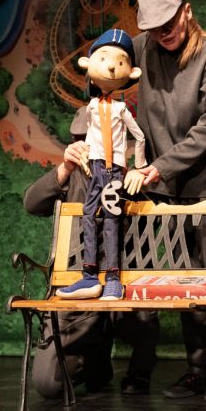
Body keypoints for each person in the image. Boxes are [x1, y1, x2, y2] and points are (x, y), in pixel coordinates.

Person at [127, 0, 206, 402]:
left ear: (187, 11)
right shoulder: (144, 48)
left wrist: (158, 168)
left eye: (169, 22)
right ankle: (197, 370)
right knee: (187, 283)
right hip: (171, 188)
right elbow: (106, 66)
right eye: (154, 27)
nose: (164, 33)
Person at [23, 107, 159, 396]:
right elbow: (32, 203)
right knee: (48, 384)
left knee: (144, 319)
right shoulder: (73, 176)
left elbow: (159, 220)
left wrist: (136, 179)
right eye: (84, 139)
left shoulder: (127, 173)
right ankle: (95, 360)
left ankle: (138, 372)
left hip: (122, 286)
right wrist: (64, 169)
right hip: (79, 290)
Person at [55, 28, 147, 300]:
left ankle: (113, 279)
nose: (111, 66)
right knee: (88, 213)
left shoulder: (120, 109)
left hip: (114, 169)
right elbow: (91, 136)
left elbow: (139, 136)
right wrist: (84, 153)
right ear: (88, 63)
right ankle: (89, 276)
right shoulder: (92, 107)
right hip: (95, 168)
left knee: (111, 218)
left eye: (119, 62)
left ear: (132, 72)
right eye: (104, 58)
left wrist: (139, 166)